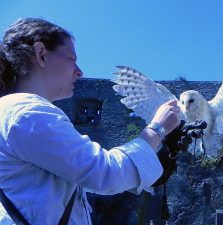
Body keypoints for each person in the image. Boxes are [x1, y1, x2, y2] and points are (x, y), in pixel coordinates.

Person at [0, 18, 181, 225]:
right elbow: (106, 174)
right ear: (41, 54)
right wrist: (157, 129)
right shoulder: (27, 113)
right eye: (71, 58)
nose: (79, 71)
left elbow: (93, 177)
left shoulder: (16, 113)